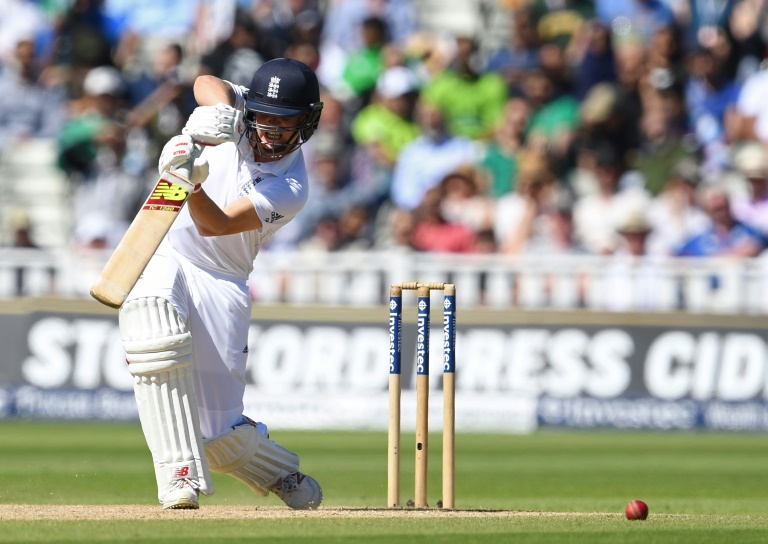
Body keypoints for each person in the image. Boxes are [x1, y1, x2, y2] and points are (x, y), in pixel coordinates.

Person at [117, 58, 324, 510]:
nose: (269, 130)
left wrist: (187, 181)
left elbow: (216, 225)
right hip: (166, 246)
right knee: (152, 327)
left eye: (284, 121)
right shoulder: (243, 107)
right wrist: (221, 114)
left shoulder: (291, 186)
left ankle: (279, 471)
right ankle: (179, 476)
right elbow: (205, 82)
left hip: (222, 278)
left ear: (307, 122)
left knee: (219, 436)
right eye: (263, 117)